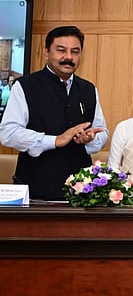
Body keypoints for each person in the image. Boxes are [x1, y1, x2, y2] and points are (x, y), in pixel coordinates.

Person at [0, 26, 108, 200]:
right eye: (61, 50)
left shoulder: (88, 89)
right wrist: (55, 140)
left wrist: (90, 139)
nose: (68, 57)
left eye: (75, 51)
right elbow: (8, 133)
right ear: (46, 52)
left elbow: (102, 132)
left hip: (81, 193)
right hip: (36, 192)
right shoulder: (25, 86)